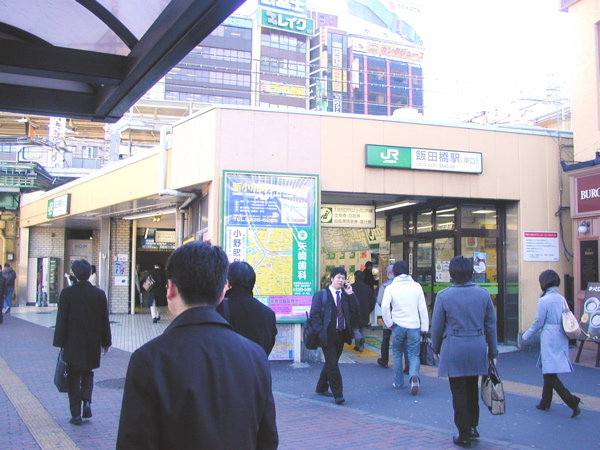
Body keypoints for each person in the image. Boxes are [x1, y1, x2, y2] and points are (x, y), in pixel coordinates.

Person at [116, 241, 278, 449]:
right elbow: (267, 439)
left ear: (170, 289)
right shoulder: (255, 355)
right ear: (222, 292)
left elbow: (134, 442)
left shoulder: (150, 358)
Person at [431, 255, 498, 448]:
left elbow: (437, 326)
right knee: (472, 388)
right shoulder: (483, 294)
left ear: (451, 273)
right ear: (471, 272)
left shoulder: (444, 296)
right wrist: (493, 353)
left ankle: (463, 434)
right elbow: (490, 326)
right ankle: (473, 426)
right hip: (477, 346)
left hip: (454, 347)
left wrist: (436, 348)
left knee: (458, 391)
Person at [53, 259, 112, 425]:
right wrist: (106, 342)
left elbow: (62, 319)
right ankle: (86, 402)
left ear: (74, 274)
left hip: (72, 342)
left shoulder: (67, 293)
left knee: (73, 377)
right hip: (92, 341)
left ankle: (76, 415)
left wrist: (59, 342)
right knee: (87, 372)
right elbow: (104, 320)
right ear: (90, 273)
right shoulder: (99, 294)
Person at [522, 269, 582, 418]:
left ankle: (571, 401)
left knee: (549, 373)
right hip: (561, 335)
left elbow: (538, 322)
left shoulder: (544, 301)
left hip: (549, 336)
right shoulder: (561, 298)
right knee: (549, 369)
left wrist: (527, 335)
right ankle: (545, 402)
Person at [310, 267, 360, 405]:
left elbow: (356, 310)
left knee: (331, 362)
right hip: (327, 334)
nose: (341, 280)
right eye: (338, 277)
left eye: (343, 278)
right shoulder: (321, 295)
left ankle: (321, 387)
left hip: (341, 334)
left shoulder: (345, 294)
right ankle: (338, 394)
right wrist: (321, 331)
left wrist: (351, 293)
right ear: (331, 278)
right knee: (333, 364)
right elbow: (314, 315)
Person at [382, 261, 428, 395]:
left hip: (397, 325)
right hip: (414, 326)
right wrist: (424, 326)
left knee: (397, 353)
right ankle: (414, 376)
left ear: (395, 272)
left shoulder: (391, 287)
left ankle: (398, 382)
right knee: (414, 354)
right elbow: (422, 308)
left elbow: (384, 306)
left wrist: (389, 323)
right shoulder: (416, 286)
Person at [216, 261, 278, 356]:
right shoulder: (268, 314)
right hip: (257, 364)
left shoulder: (218, 309)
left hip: (227, 364)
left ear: (228, 283)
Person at [351, 270, 375, 351]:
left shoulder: (351, 288)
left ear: (355, 277)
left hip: (354, 312)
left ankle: (359, 339)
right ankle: (359, 346)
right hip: (365, 312)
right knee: (362, 328)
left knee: (354, 328)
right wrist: (369, 310)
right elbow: (373, 301)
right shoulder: (368, 288)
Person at [376, 265, 395, 368]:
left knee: (386, 338)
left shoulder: (384, 286)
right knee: (402, 339)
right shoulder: (402, 285)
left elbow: (379, 301)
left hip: (388, 315)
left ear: (387, 274)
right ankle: (406, 364)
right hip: (400, 316)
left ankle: (384, 360)